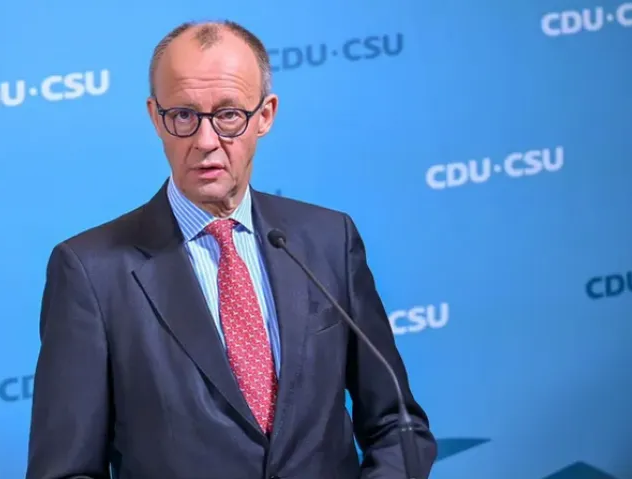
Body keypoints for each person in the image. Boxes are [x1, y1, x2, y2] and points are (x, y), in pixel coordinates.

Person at [25, 19, 437, 479]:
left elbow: (397, 425)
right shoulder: (90, 272)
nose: (206, 142)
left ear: (265, 116)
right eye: (183, 115)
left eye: (228, 115)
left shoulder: (328, 240)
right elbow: (66, 471)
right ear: (155, 117)